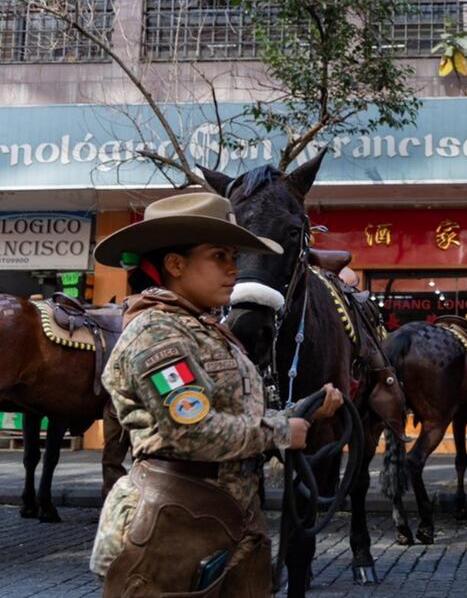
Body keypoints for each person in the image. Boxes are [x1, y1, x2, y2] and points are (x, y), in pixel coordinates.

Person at [89, 192, 344, 596]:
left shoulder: (202, 329)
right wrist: (279, 432)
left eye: (233, 257)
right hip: (171, 533)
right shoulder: (158, 334)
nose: (234, 269)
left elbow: (226, 411)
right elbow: (191, 431)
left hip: (216, 525)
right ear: (175, 264)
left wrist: (302, 412)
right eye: (220, 256)